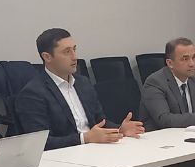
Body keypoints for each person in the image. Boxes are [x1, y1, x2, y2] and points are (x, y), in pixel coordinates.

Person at [14, 28, 144, 149]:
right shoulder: (33, 93)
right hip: (65, 157)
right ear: (47, 57)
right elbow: (41, 143)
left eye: (74, 49)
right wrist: (84, 138)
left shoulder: (83, 83)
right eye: (67, 52)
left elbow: (100, 121)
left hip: (96, 149)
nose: (74, 57)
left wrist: (120, 129)